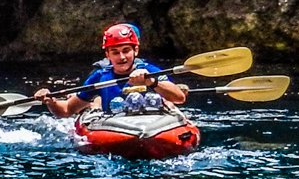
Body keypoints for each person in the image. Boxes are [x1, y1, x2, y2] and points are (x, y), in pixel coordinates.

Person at [34, 23, 187, 118]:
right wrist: (51, 101)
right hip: (116, 127)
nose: (121, 57)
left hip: (153, 123)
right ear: (107, 55)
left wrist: (152, 82)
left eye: (126, 50)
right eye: (115, 52)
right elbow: (67, 109)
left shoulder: (150, 71)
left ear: (136, 51)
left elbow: (179, 98)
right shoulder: (100, 77)